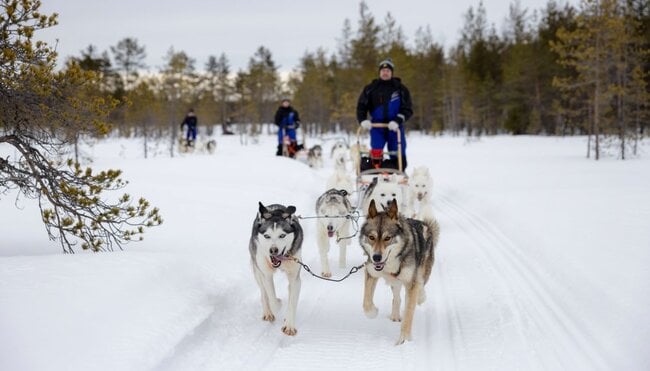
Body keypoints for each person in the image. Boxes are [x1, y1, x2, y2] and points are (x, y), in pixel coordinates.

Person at [356, 58, 413, 170]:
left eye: (388, 70)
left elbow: (407, 109)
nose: (385, 72)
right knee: (376, 150)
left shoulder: (401, 89)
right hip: (377, 126)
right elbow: (361, 106)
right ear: (379, 72)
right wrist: (362, 120)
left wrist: (397, 121)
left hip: (395, 127)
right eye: (383, 70)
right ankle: (375, 173)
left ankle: (397, 172)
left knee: (397, 152)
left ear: (391, 72)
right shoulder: (371, 88)